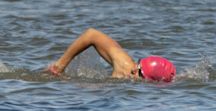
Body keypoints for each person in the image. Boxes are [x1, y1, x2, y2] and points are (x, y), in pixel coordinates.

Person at [47, 28, 176, 82]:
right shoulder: (124, 64)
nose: (134, 69)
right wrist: (60, 65)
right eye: (137, 65)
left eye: (138, 71)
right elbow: (91, 34)